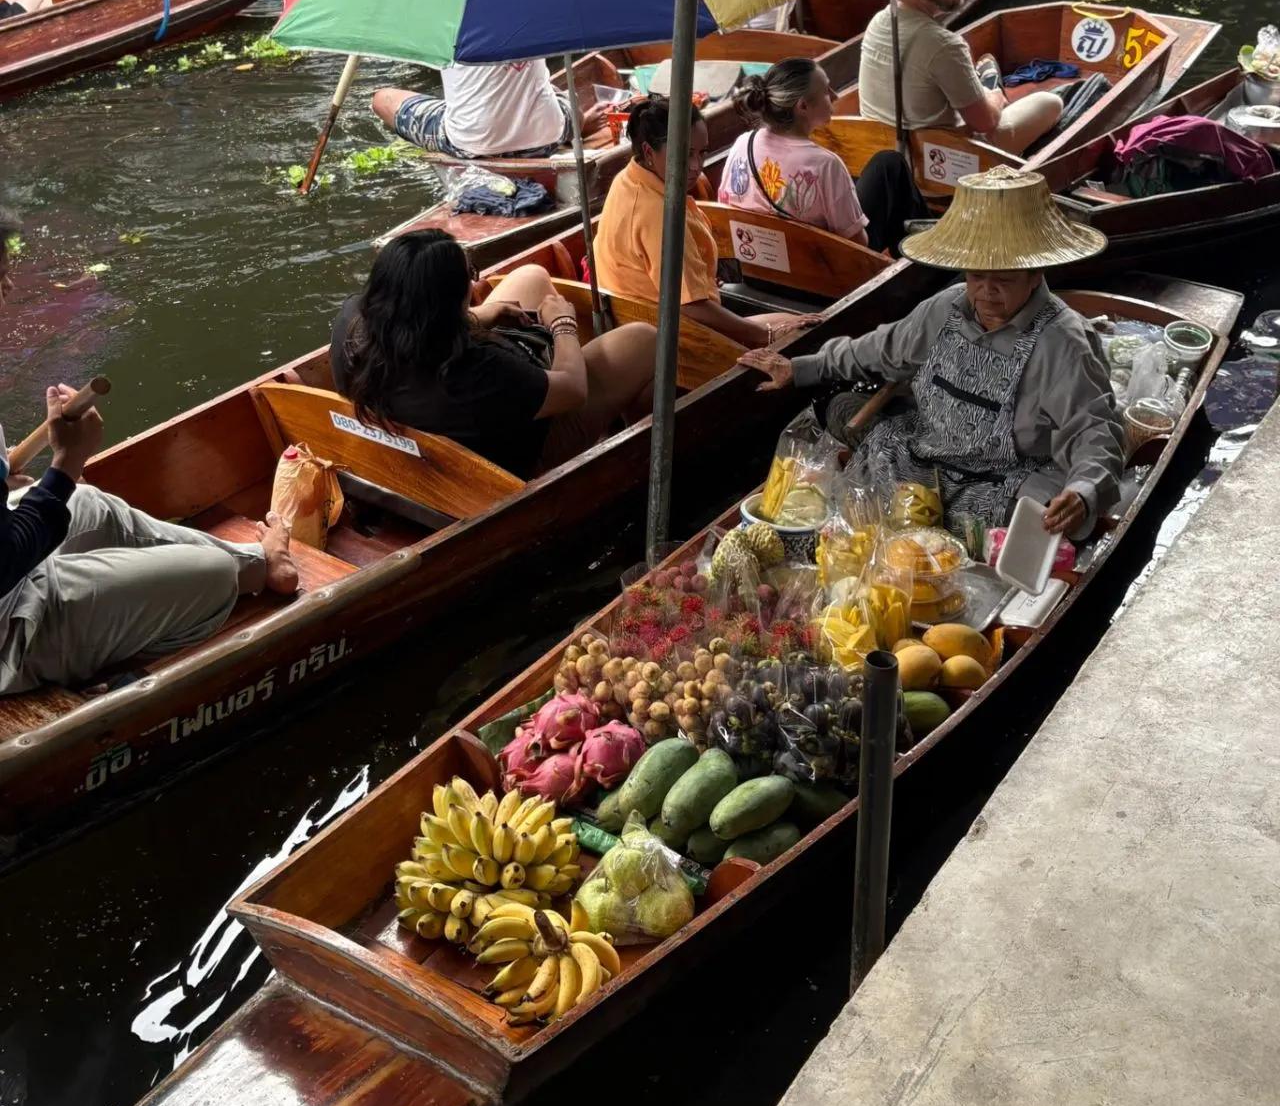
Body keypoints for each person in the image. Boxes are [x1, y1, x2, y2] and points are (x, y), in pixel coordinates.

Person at [739, 166, 1124, 540]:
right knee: (838, 407)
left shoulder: (1064, 342)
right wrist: (801, 368)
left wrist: (1083, 493)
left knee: (1044, 520)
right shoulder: (947, 308)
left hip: (1005, 478)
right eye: (976, 277)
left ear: (1035, 274)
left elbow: (1096, 429)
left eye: (1004, 280)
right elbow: (878, 349)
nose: (987, 292)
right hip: (925, 457)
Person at [0, 212, 297, 694]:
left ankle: (261, 563)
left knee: (95, 505)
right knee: (215, 577)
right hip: (11, 631)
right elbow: (6, 560)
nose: (10, 285)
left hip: (12, 580)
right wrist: (65, 463)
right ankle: (108, 677)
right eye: (0, 277)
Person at [330, 231, 656, 479]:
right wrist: (563, 324)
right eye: (470, 277)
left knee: (532, 276)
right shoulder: (474, 373)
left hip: (434, 429)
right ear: (445, 306)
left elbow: (417, 327)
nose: (475, 285)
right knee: (645, 339)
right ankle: (632, 456)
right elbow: (572, 389)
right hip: (509, 458)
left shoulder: (353, 320)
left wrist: (481, 315)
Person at [592, 97, 813, 350]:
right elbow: (690, 306)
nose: (697, 167)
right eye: (686, 154)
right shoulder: (659, 214)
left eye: (702, 153)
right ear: (649, 152)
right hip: (678, 339)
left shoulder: (629, 178)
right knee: (802, 329)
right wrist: (762, 335)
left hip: (647, 321)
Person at [856, 0, 1064, 157]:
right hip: (944, 164)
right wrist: (995, 94)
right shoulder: (944, 44)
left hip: (883, 152)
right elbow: (985, 123)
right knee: (1051, 101)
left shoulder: (879, 20)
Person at [718, 59, 924, 252]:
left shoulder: (743, 143)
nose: (836, 96)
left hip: (757, 262)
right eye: (827, 91)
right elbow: (857, 244)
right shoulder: (824, 165)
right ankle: (921, 255)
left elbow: (726, 204)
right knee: (889, 165)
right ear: (803, 106)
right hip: (823, 271)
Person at [372, 60, 609, 159]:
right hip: (546, 136)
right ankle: (581, 124)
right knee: (565, 97)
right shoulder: (537, 4)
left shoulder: (447, 18)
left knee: (382, 99)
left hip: (469, 142)